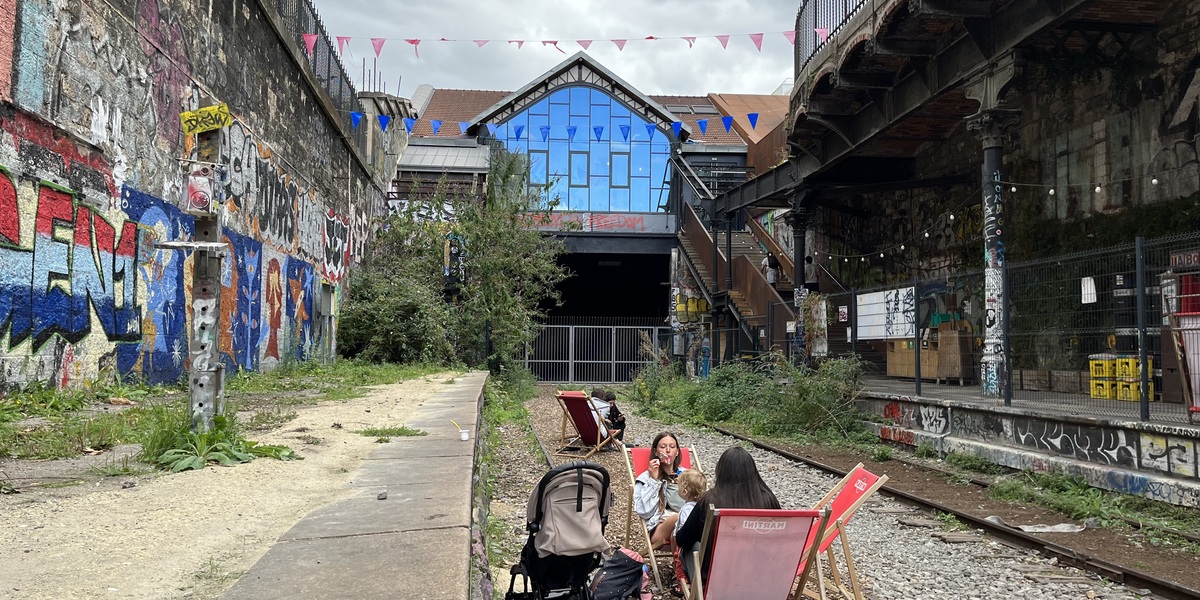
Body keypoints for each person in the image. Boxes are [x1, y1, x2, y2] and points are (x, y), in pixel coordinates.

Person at [674, 446, 781, 584]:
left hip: (717, 579)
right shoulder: (769, 500)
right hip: (761, 576)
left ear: (721, 472)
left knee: (690, 547)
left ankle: (699, 589)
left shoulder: (710, 500)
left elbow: (682, 540)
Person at [634, 432, 686, 548]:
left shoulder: (686, 475)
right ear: (655, 452)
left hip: (684, 527)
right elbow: (643, 511)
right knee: (680, 516)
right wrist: (653, 480)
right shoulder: (645, 478)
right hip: (660, 527)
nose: (668, 450)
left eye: (672, 447)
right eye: (663, 447)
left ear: (677, 452)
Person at [672, 469, 707, 539]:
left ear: (685, 491)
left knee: (672, 536)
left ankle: (676, 550)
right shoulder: (701, 505)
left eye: (678, 486)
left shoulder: (687, 509)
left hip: (683, 541)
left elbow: (685, 528)